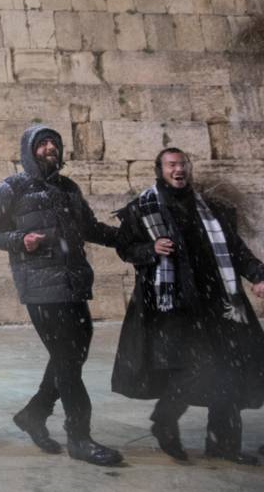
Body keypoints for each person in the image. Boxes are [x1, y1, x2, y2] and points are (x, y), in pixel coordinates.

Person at [0, 125, 123, 466]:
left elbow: (92, 229)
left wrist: (134, 240)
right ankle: (80, 438)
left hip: (74, 284)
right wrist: (19, 240)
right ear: (29, 149)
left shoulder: (69, 188)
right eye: (42, 144)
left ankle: (34, 413)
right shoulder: (13, 187)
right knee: (68, 363)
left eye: (54, 144)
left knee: (73, 355)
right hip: (40, 286)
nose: (49, 149)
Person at [112, 147, 264, 465]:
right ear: (160, 170)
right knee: (192, 367)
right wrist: (150, 249)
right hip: (171, 304)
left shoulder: (212, 208)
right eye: (171, 165)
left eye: (182, 164)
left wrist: (257, 275)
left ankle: (223, 443)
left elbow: (235, 250)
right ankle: (165, 420)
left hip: (217, 300)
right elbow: (125, 248)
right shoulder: (141, 208)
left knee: (229, 369)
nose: (178, 169)